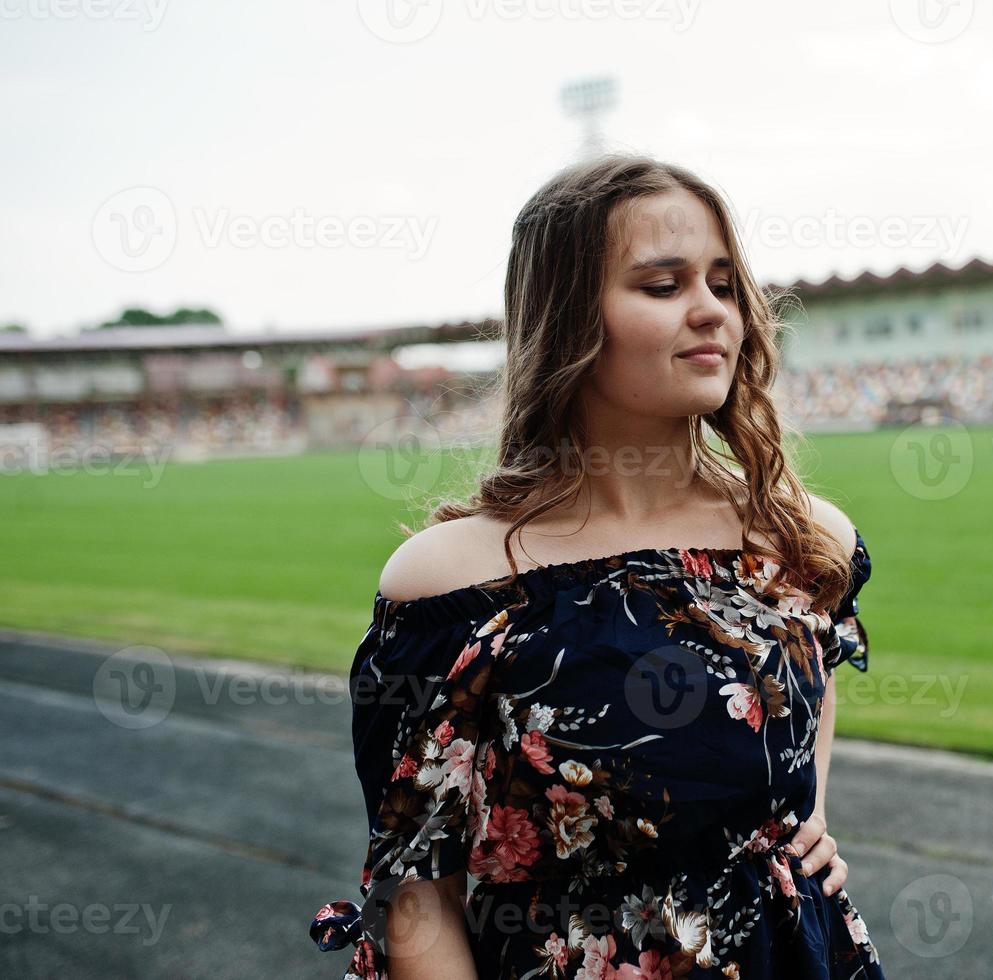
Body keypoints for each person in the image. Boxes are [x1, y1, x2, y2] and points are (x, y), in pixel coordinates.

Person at [308, 154, 884, 979]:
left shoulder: (802, 538)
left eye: (723, 284)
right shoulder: (451, 587)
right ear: (568, 318)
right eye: (663, 286)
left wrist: (806, 813)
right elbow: (417, 896)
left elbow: (813, 679)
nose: (712, 312)